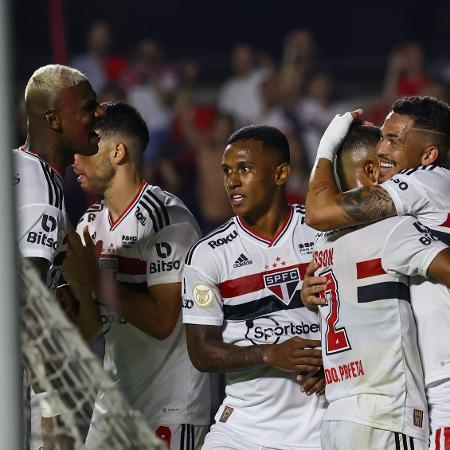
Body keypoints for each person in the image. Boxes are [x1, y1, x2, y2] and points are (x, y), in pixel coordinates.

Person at [304, 96, 450, 448]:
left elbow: (318, 211)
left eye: (393, 141)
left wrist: (327, 143)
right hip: (425, 383)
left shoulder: (427, 180)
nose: (380, 149)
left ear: (428, 156)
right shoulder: (400, 220)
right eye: (381, 137)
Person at [63, 102, 211, 449]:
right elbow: (91, 327)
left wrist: (97, 281)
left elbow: (162, 321)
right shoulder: (90, 223)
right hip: (114, 405)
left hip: (169, 408)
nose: (75, 158)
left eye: (87, 146)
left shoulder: (168, 219)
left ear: (117, 152)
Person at [182, 124, 326, 450]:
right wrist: (270, 353)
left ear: (280, 173)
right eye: (227, 171)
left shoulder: (323, 233)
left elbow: (368, 316)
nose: (232, 181)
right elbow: (201, 351)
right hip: (242, 431)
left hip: (321, 429)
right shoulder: (208, 255)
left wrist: (333, 363)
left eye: (244, 169)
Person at [17, 63, 104, 450]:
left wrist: (60, 284)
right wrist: (51, 400)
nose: (98, 114)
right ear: (54, 120)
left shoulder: (17, 166)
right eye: (87, 108)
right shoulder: (44, 197)